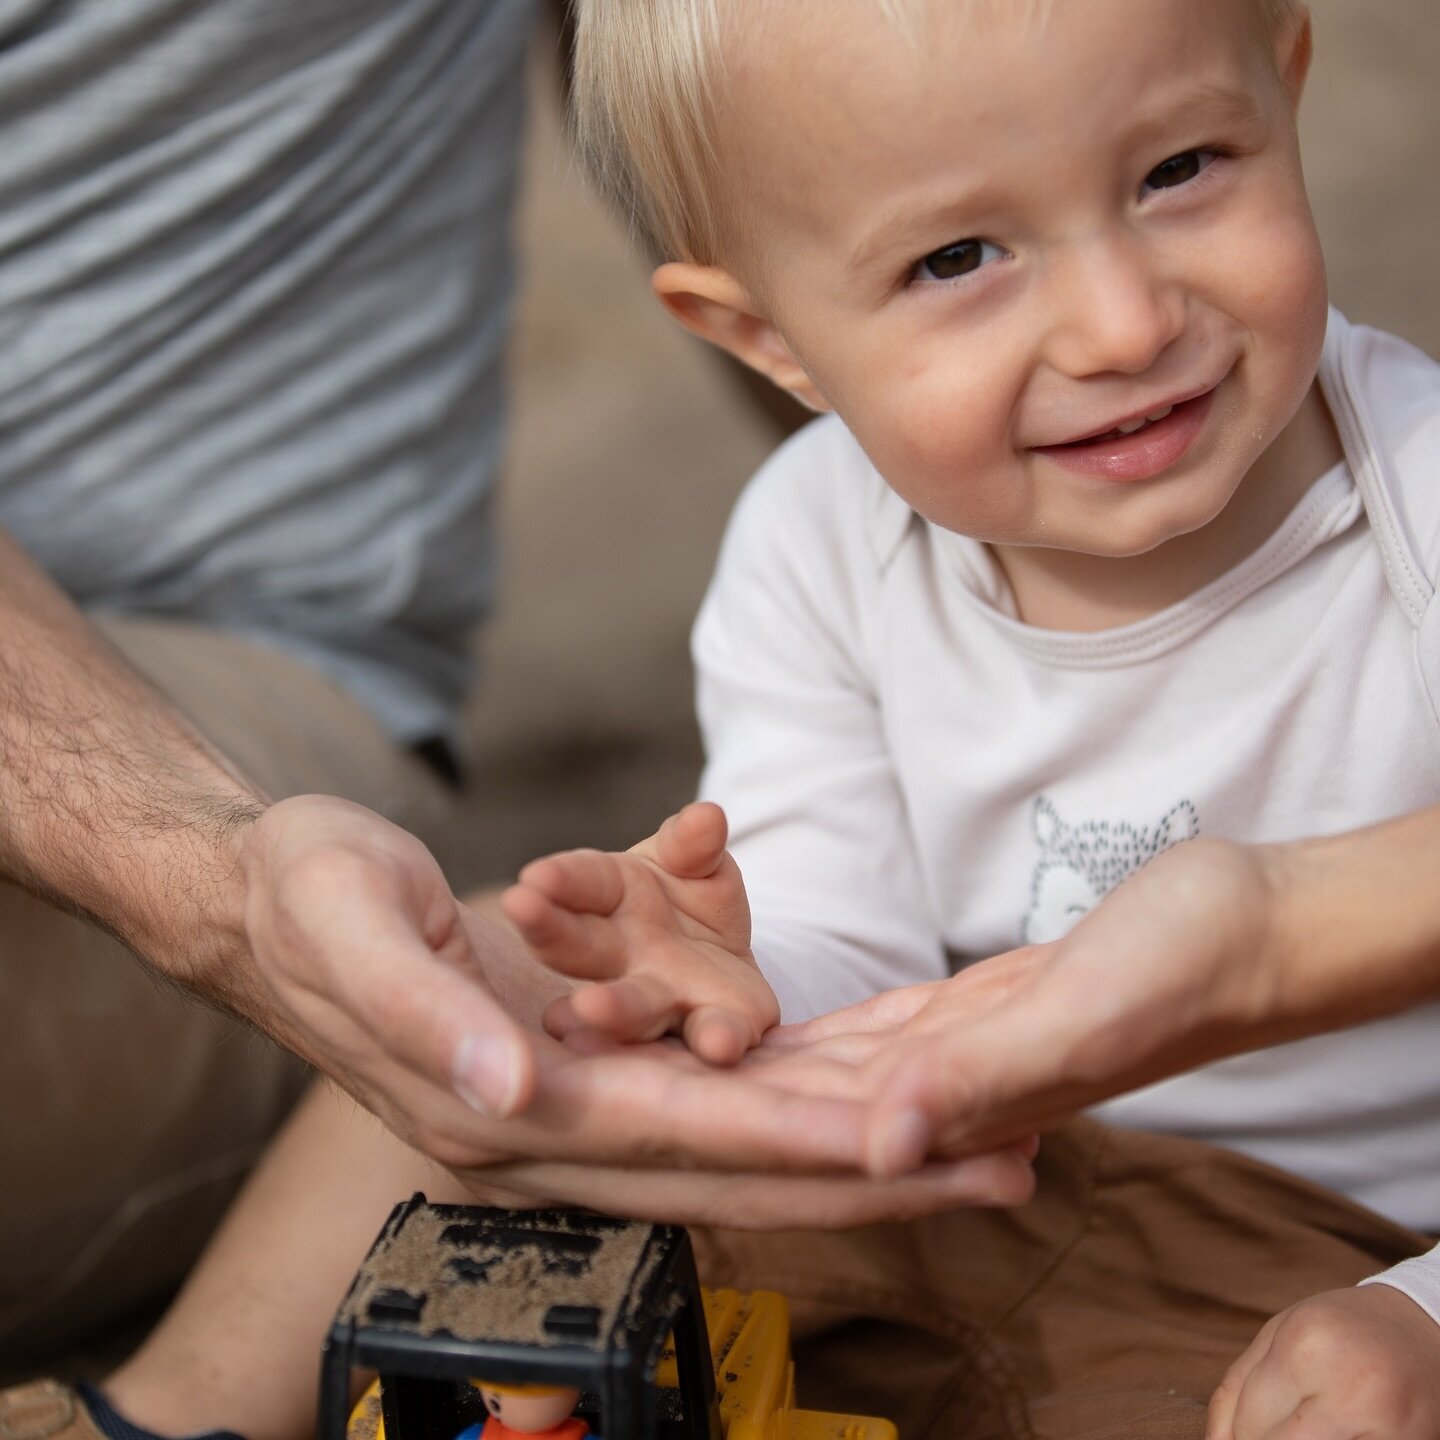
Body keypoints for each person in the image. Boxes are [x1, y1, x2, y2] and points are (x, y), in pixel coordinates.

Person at [7, 0, 1440, 1436]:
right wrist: (732, 972)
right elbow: (843, 938)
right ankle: (164, 1419)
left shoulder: (1415, 496)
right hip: (940, 1173)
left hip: (1333, 1250)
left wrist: (1421, 1317)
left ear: (1285, 86)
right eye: (958, 259)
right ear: (769, 340)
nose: (1124, 321)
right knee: (491, 1005)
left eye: (1180, 169)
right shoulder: (819, 540)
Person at [0, 0, 970, 1372]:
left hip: (214, 684)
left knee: (503, 995)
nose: (1116, 326)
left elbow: (873, 100)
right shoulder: (796, 585)